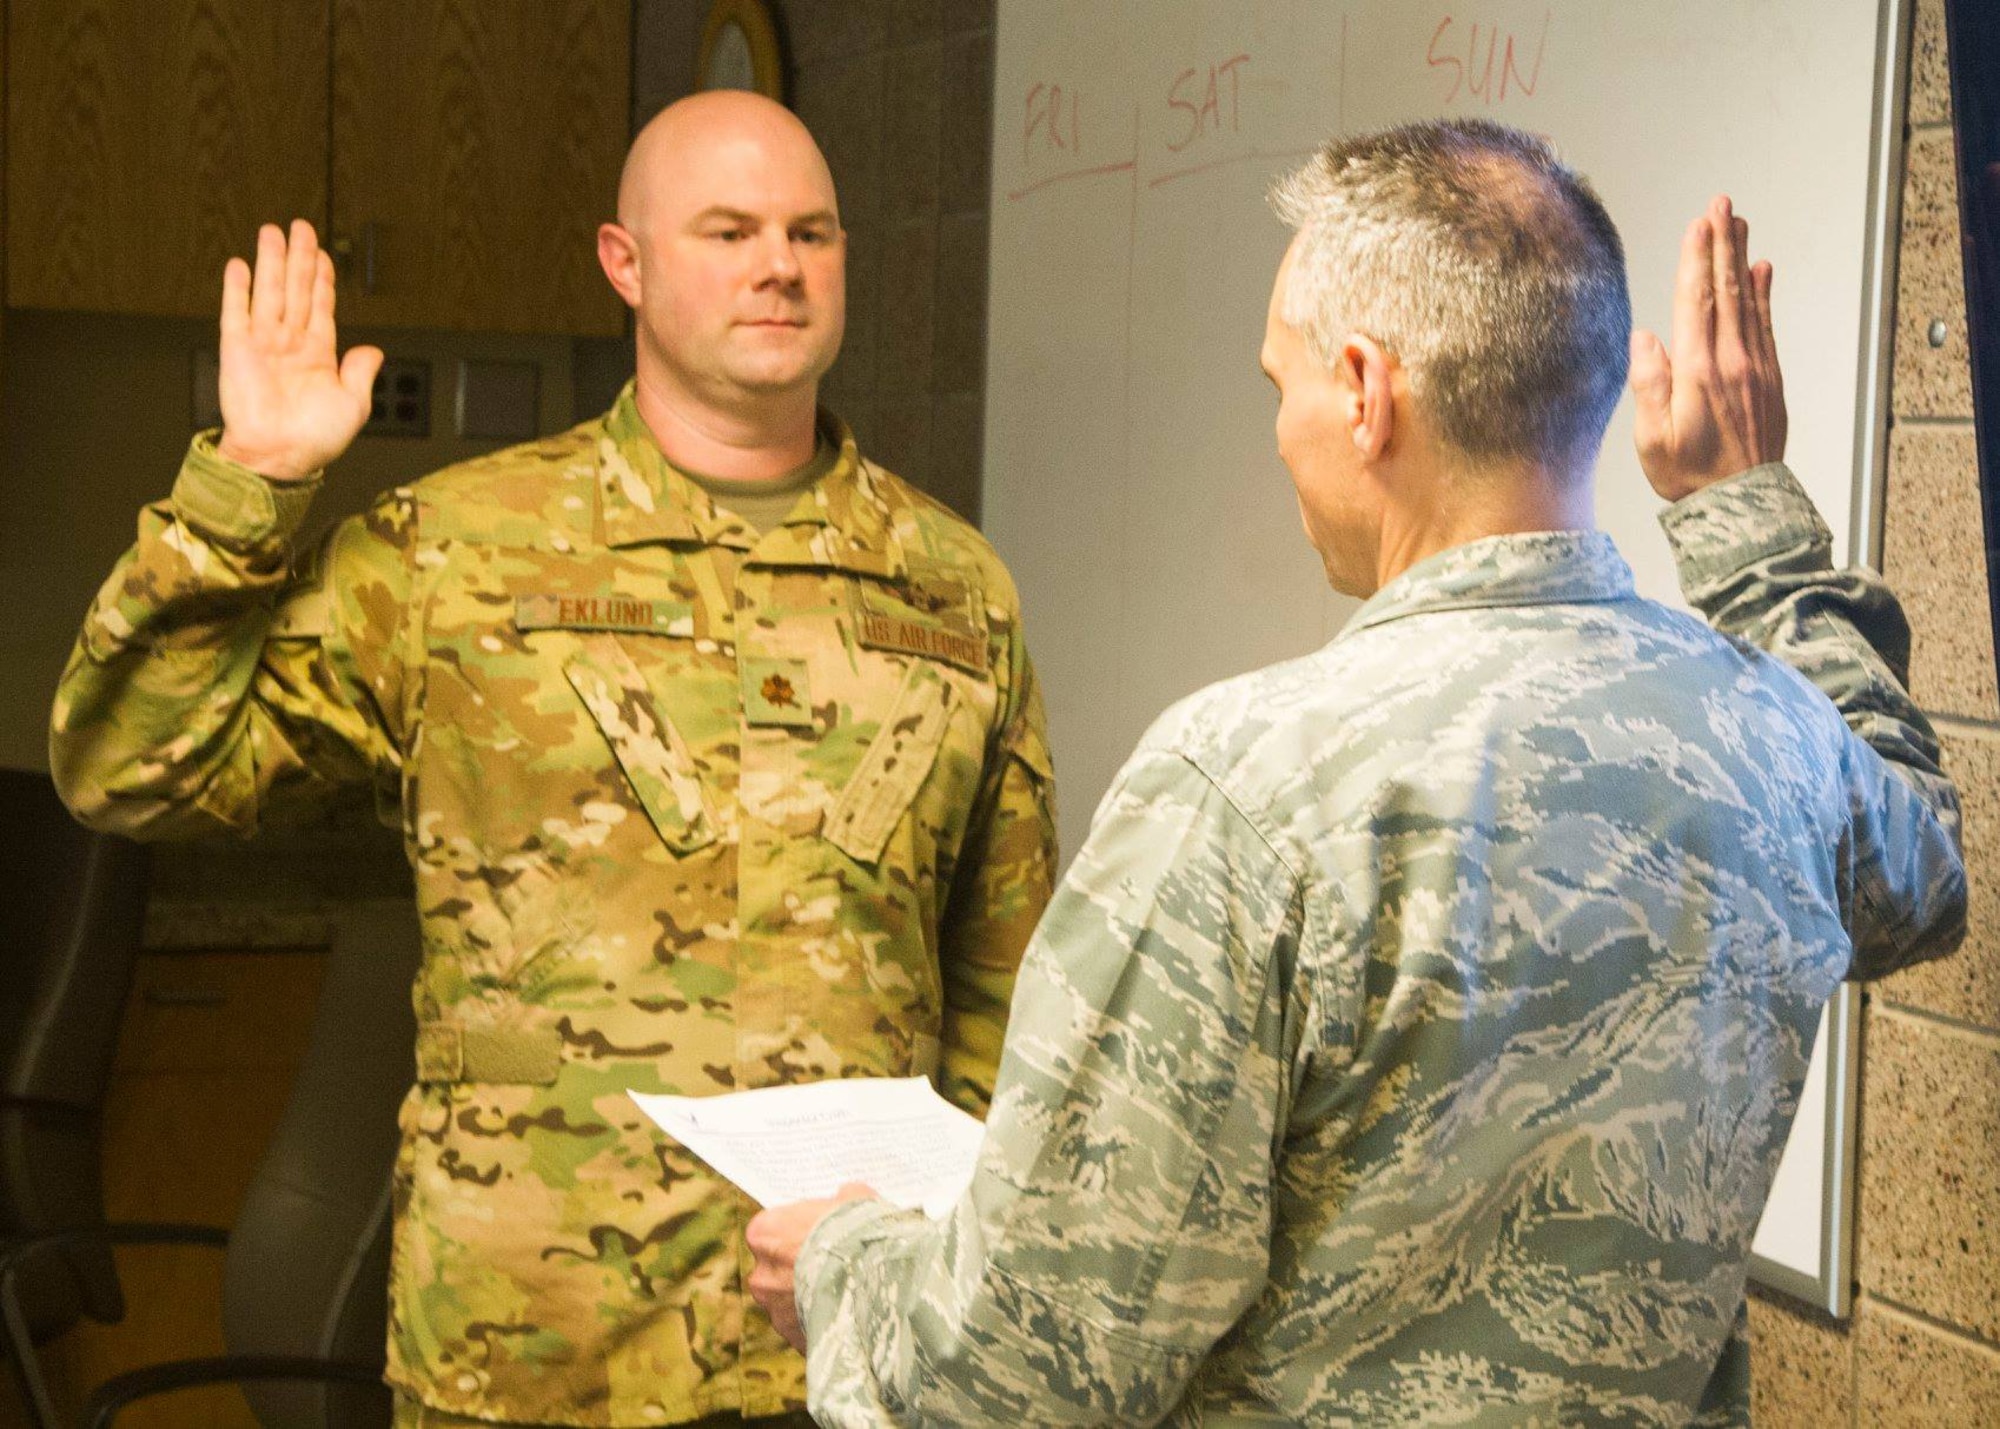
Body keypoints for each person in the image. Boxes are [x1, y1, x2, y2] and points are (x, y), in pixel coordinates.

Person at [743, 120, 1966, 1426]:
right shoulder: (1772, 740)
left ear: (1367, 392)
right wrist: (1752, 527)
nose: (1279, 430)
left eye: (1283, 381)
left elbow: (1012, 1381)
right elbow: (1924, 865)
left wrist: (840, 1258)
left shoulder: (1243, 786)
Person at [49, 91, 1057, 1428]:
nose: (780, 263)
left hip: (850, 1353)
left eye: (813, 232)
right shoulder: (456, 553)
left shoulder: (952, 587)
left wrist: (958, 1279)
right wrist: (250, 481)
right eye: (729, 229)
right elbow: (128, 764)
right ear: (623, 263)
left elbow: (1013, 996)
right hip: (535, 1356)